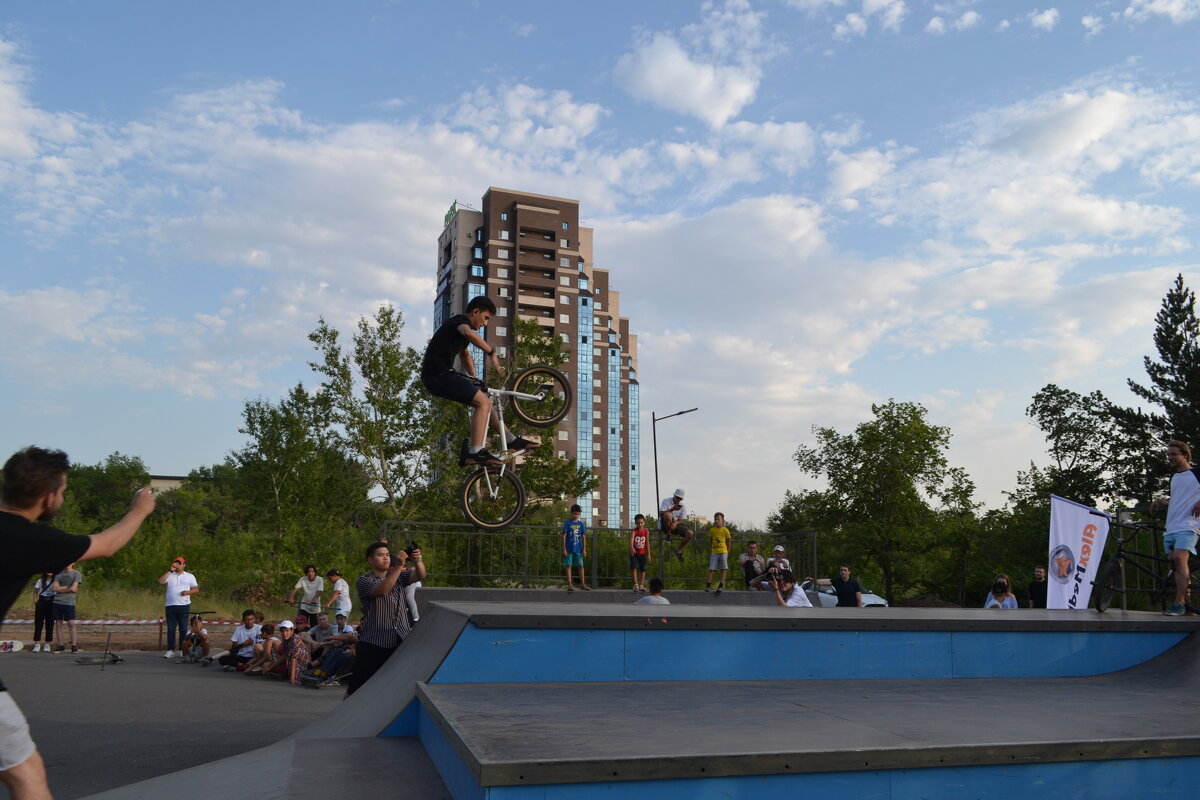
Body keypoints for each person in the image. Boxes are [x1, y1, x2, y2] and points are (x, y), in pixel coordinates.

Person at [0, 445, 155, 800]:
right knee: (26, 776)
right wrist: (138, 510)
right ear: (48, 496)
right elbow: (106, 544)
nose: (63, 498)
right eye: (64, 491)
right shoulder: (29, 538)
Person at [420, 295, 538, 465]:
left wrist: (474, 378)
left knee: (485, 401)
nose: (485, 323)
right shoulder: (460, 322)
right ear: (475, 312)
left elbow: (464, 354)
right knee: (482, 403)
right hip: (437, 375)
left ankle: (510, 439)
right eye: (486, 318)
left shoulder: (459, 333)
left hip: (439, 376)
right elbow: (467, 333)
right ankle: (475, 451)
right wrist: (491, 351)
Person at [349, 542, 425, 696]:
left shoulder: (398, 575)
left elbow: (421, 575)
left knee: (398, 687)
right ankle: (343, 718)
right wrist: (398, 566)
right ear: (370, 560)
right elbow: (383, 590)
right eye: (380, 555)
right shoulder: (364, 580)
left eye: (387, 554)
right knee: (357, 689)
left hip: (400, 637)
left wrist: (417, 560)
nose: (386, 558)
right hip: (374, 641)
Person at [1151, 440, 1200, 616]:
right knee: (1176, 564)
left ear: (1185, 455)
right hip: (1171, 526)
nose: (1170, 457)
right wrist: (1161, 502)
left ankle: (1178, 603)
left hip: (1190, 524)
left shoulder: (1196, 473)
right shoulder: (1175, 477)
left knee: (1180, 558)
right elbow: (1179, 500)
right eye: (1168, 454)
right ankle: (1188, 605)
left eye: (1174, 454)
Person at [157, 556, 199, 658]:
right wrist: (170, 570)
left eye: (180, 563)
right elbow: (161, 581)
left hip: (184, 605)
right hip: (170, 606)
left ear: (184, 565)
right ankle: (170, 650)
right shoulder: (170, 575)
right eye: (176, 563)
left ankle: (182, 649)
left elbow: (196, 589)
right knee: (171, 629)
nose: (178, 565)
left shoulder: (189, 576)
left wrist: (187, 592)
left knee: (183, 629)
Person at [49, 563, 81, 654]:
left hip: (69, 602)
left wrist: (61, 588)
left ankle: (74, 645)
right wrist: (67, 587)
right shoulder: (58, 574)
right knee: (58, 623)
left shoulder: (76, 573)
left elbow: (74, 589)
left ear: (73, 563)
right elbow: (54, 588)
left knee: (71, 623)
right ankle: (60, 645)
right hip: (57, 601)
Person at [659, 489, 694, 562]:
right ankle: (668, 535)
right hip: (665, 524)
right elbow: (661, 513)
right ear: (674, 495)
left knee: (690, 533)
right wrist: (673, 509)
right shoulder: (666, 501)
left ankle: (679, 551)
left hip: (675, 524)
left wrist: (675, 523)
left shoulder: (683, 506)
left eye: (680, 498)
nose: (678, 499)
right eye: (677, 497)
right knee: (668, 515)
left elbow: (682, 519)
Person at [562, 504, 590, 591]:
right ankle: (570, 584)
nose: (576, 516)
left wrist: (584, 549)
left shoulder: (581, 524)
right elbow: (564, 536)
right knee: (568, 565)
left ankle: (582, 584)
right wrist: (564, 549)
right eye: (575, 514)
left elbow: (583, 537)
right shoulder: (567, 523)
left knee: (580, 566)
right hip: (569, 549)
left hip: (578, 549)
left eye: (578, 514)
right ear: (571, 513)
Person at [704, 512, 731, 594]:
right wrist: (712, 547)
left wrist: (727, 550)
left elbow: (728, 541)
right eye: (715, 519)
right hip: (714, 551)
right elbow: (711, 540)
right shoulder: (712, 530)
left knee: (723, 568)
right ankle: (708, 584)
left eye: (718, 519)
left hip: (723, 551)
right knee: (711, 568)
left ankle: (721, 585)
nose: (716, 521)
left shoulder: (725, 530)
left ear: (723, 520)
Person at [29, 573, 56, 653]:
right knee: (38, 622)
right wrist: (36, 602)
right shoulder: (40, 581)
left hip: (52, 601)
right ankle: (37, 643)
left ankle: (47, 643)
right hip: (42, 600)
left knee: (50, 622)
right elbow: (35, 592)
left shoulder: (56, 581)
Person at [628, 514, 651, 592]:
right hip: (634, 553)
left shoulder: (646, 531)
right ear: (635, 523)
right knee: (634, 568)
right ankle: (636, 585)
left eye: (641, 522)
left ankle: (641, 585)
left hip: (642, 553)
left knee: (642, 569)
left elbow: (647, 542)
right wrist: (631, 547)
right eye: (638, 523)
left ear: (644, 522)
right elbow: (631, 539)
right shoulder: (634, 531)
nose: (640, 524)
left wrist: (649, 554)